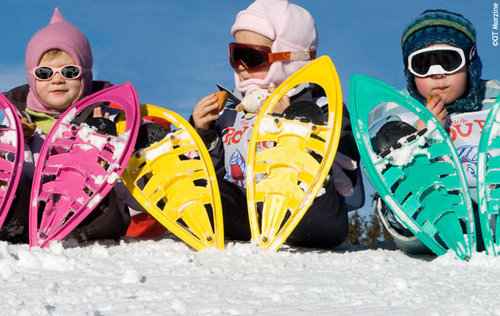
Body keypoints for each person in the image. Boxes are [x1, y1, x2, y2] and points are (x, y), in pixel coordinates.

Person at [191, 0, 363, 249]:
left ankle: (294, 218)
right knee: (205, 193)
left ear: (289, 58)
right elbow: (214, 170)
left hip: (306, 206)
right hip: (245, 208)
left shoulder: (325, 106)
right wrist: (205, 134)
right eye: (236, 55)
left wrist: (295, 123)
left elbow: (348, 172)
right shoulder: (230, 113)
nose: (241, 66)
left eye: (251, 56)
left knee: (313, 216)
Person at [373, 9, 500, 254]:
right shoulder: (400, 111)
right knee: (391, 136)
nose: (437, 73)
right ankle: (425, 223)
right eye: (423, 64)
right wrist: (420, 135)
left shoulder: (492, 102)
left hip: (489, 203)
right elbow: (374, 165)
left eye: (449, 60)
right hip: (426, 214)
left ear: (470, 63)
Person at [1, 8, 130, 243]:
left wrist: (105, 145)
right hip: (26, 212)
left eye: (69, 71)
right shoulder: (16, 119)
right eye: (45, 72)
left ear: (85, 76)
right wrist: (19, 143)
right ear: (32, 77)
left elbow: (130, 186)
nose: (57, 79)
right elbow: (13, 175)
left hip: (88, 214)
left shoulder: (109, 112)